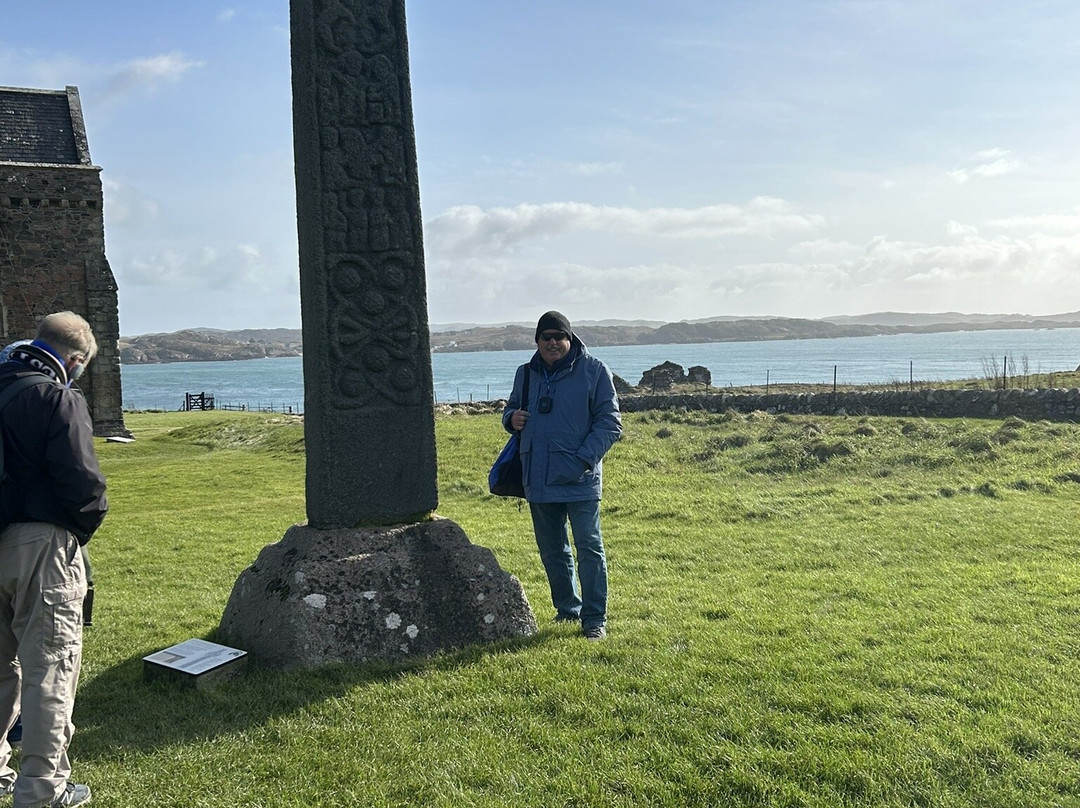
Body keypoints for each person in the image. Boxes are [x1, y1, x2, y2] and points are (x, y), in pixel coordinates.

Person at [0, 312, 108, 807]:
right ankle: (43, 792)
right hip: (40, 541)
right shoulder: (56, 396)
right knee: (50, 665)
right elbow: (83, 484)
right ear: (75, 359)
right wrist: (77, 532)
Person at [502, 311, 622, 641]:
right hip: (537, 476)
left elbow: (610, 424)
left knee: (589, 549)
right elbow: (510, 409)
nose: (553, 342)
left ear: (570, 339)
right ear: (537, 341)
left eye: (559, 336)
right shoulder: (525, 373)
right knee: (552, 550)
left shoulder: (594, 370)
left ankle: (594, 619)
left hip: (580, 479)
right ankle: (568, 610)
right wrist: (512, 419)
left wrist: (582, 460)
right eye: (546, 337)